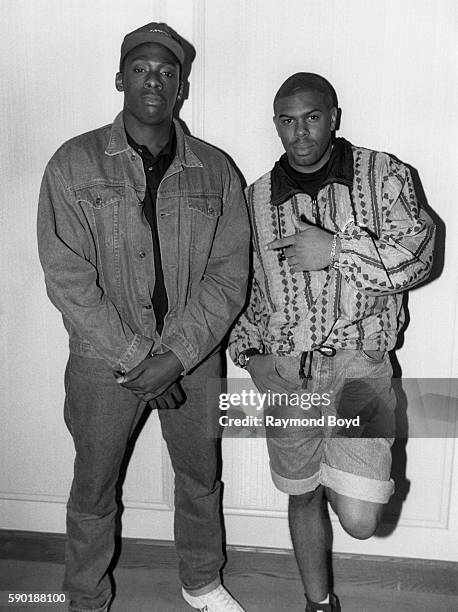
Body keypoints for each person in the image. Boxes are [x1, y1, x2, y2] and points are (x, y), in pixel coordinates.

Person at [37, 22, 249, 612]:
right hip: (104, 365)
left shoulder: (216, 170)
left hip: (196, 360)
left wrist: (176, 356)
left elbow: (231, 274)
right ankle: (84, 598)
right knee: (93, 490)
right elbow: (67, 275)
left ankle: (202, 583)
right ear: (119, 78)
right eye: (141, 68)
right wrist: (138, 360)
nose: (153, 79)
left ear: (180, 86)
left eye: (167, 71)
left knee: (201, 482)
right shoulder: (73, 164)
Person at [229, 72, 435, 612]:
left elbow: (418, 257)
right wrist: (251, 356)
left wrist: (337, 251)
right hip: (288, 370)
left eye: (312, 117)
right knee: (301, 493)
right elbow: (243, 291)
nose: (300, 133)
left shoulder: (384, 174)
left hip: (358, 368)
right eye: (287, 120)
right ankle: (319, 604)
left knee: (361, 518)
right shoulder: (254, 200)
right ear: (276, 124)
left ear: (334, 115)